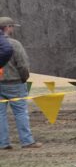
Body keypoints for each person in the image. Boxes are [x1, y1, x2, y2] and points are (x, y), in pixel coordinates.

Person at [0, 17, 40, 149]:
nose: (12, 29)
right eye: (11, 27)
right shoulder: (15, 44)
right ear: (7, 28)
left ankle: (3, 143)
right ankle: (27, 141)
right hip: (14, 83)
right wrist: (24, 78)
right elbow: (23, 65)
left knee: (0, 114)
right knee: (20, 112)